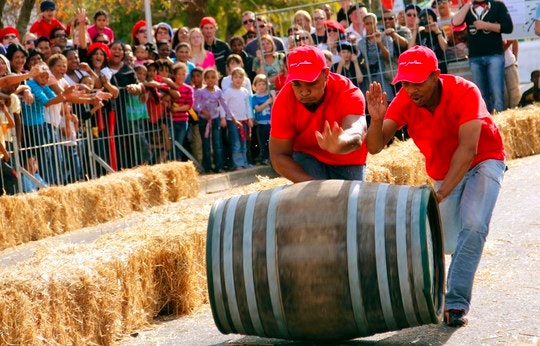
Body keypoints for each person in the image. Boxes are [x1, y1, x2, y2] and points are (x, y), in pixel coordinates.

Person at [365, 45, 506, 328]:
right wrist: (377, 119)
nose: (411, 89)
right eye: (405, 82)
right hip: (443, 171)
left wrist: (440, 194)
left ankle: (454, 302)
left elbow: (468, 149)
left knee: (475, 224)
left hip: (483, 160)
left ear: (436, 75)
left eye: (418, 81)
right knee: (450, 241)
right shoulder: (404, 100)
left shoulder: (465, 91)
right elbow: (375, 148)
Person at [269, 45, 368, 183]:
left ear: (326, 74)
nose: (304, 92)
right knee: (318, 201)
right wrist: (312, 186)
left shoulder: (347, 91)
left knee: (350, 202)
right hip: (307, 155)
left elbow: (357, 131)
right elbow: (278, 155)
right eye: (297, 84)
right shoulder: (283, 100)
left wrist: (341, 142)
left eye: (311, 82)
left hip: (347, 156)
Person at [452, 0, 513, 113]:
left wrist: (486, 25)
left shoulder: (497, 5)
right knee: (481, 93)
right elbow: (455, 22)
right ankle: (486, 121)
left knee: (497, 93)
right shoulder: (468, 7)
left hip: (494, 54)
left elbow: (508, 27)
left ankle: (499, 121)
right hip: (475, 57)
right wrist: (468, 3)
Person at [223, 67, 253, 170]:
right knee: (236, 143)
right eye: (235, 77)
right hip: (233, 121)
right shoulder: (228, 91)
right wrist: (223, 118)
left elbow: (248, 105)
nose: (238, 79)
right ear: (231, 78)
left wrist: (250, 118)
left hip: (244, 120)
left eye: (240, 77)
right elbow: (224, 105)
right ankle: (237, 163)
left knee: (244, 142)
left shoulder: (245, 91)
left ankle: (245, 162)